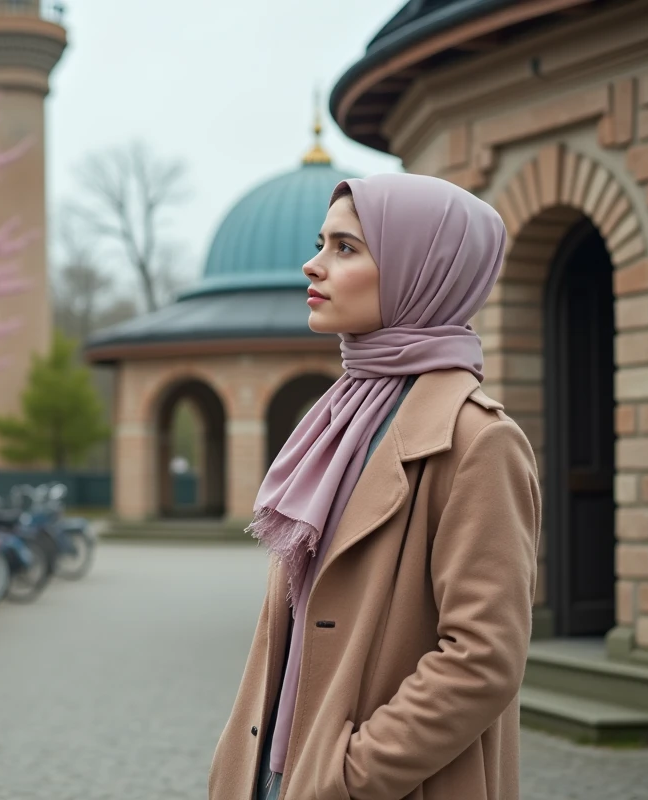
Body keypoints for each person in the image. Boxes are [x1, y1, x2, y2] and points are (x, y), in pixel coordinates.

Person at [208, 173, 541, 800]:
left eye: (346, 248)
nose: (312, 265)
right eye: (321, 243)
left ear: (424, 269)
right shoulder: (339, 418)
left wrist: (348, 774)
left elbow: (482, 659)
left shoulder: (477, 441)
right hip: (276, 769)